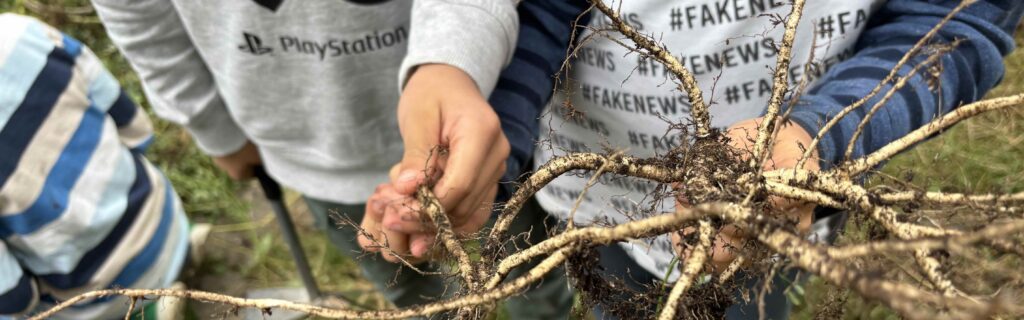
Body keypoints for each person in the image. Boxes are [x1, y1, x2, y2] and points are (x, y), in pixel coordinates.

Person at [367, 0, 1024, 318]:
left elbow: (953, 26)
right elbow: (540, 10)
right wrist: (484, 113)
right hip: (599, 198)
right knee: (617, 294)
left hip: (779, 205)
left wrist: (815, 139)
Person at [90, 0, 576, 317]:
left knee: (524, 253)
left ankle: (548, 305)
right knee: (405, 282)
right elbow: (140, 18)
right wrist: (214, 130)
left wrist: (451, 60)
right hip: (311, 151)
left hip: (476, 114)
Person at [0, 13, 192, 319]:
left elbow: (15, 297)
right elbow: (137, 131)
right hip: (165, 217)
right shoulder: (20, 30)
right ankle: (182, 258)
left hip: (103, 295)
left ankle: (152, 311)